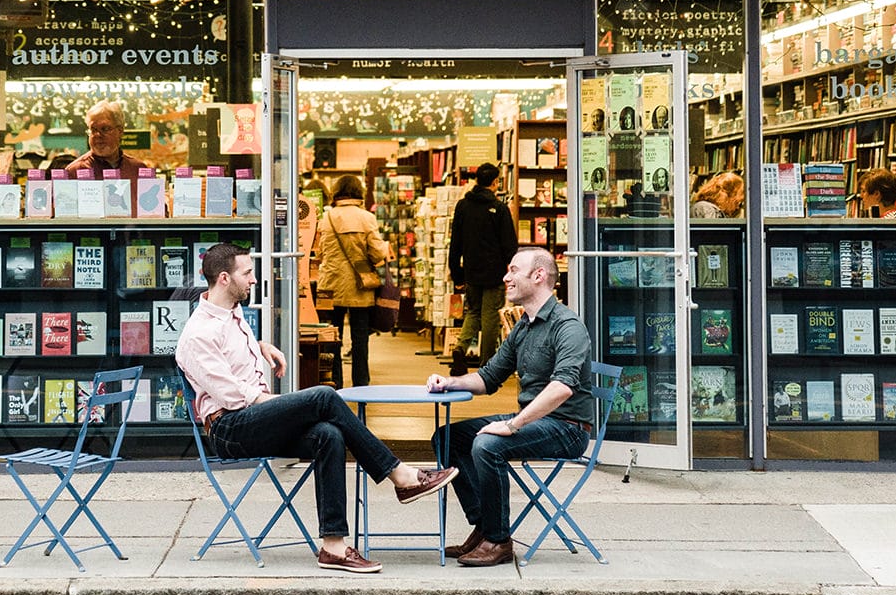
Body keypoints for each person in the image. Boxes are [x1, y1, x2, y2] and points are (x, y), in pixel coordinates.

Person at [175, 242, 453, 574]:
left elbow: (229, 353)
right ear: (224, 278)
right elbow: (235, 397)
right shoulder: (197, 336)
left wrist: (259, 346)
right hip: (230, 428)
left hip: (252, 419)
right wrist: (291, 405)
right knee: (322, 397)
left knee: (328, 433)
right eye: (247, 273)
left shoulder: (231, 311)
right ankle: (400, 475)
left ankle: (333, 546)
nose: (253, 280)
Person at [426, 247, 596, 568]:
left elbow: (562, 388)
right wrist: (450, 382)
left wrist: (513, 424)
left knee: (488, 444)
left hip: (566, 427)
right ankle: (484, 525)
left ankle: (499, 541)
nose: (506, 277)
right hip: (534, 421)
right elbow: (489, 377)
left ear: (539, 276)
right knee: (448, 437)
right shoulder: (524, 326)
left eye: (513, 270)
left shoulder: (567, 326)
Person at [311, 175, 392, 388]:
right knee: (360, 339)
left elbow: (320, 252)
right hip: (360, 286)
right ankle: (361, 383)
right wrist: (385, 248)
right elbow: (376, 254)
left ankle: (334, 381)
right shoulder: (367, 218)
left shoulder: (326, 218)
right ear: (359, 192)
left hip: (330, 284)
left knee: (331, 337)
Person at [445, 163, 517, 375]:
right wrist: (512, 272)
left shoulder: (462, 206)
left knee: (474, 312)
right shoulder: (499, 209)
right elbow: (509, 245)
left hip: (471, 271)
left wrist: (456, 272)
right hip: (494, 273)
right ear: (495, 183)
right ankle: (487, 365)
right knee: (491, 318)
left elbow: (455, 242)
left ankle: (460, 348)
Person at [57, 99, 133, 175]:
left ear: (120, 131)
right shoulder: (73, 172)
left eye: (105, 129)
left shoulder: (137, 169)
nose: (97, 135)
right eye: (93, 130)